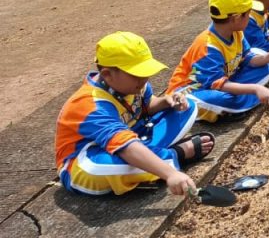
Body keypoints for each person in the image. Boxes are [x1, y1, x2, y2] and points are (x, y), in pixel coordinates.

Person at [55, 32, 209, 197]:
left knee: (189, 107)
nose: (144, 79)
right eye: (136, 74)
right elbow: (126, 148)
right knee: (99, 167)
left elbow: (146, 107)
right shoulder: (90, 104)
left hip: (133, 137)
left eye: (146, 71)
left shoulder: (135, 85)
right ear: (107, 74)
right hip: (87, 159)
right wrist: (170, 174)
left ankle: (152, 161)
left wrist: (167, 101)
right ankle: (173, 156)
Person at [169, 0, 269, 123]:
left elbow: (248, 58)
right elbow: (216, 84)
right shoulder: (207, 46)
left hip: (224, 80)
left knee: (267, 67)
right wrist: (255, 88)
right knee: (225, 100)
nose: (251, 16)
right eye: (248, 13)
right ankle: (242, 102)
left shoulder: (237, 32)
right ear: (236, 18)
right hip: (193, 89)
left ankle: (241, 102)